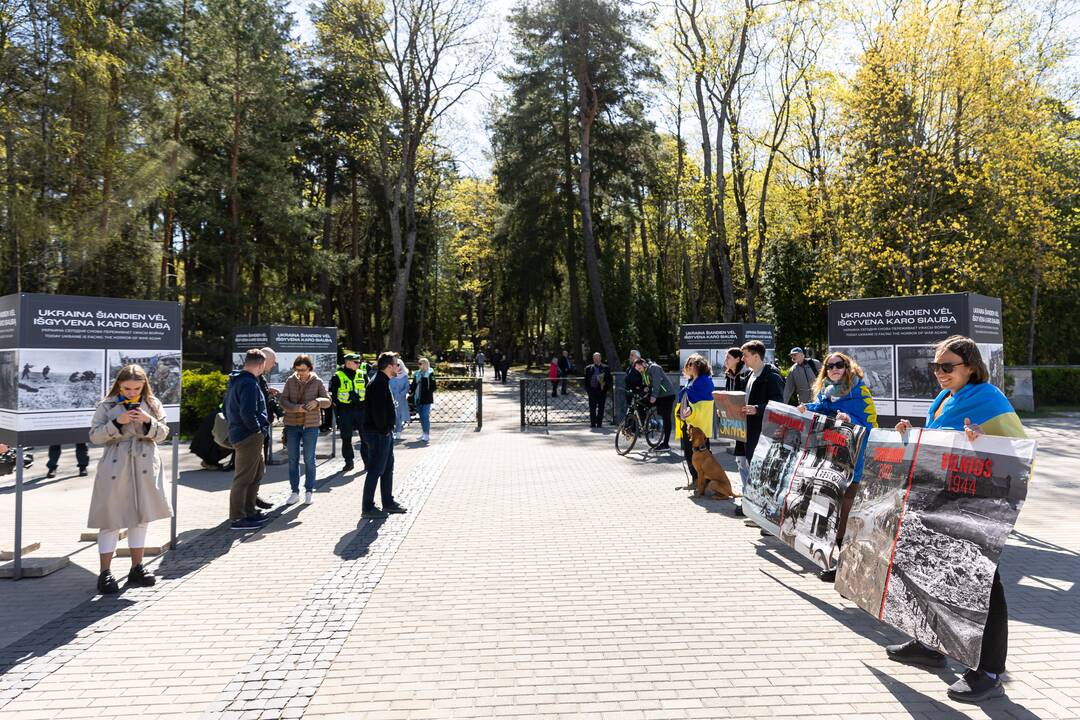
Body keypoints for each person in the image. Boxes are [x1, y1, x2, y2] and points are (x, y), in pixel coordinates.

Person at [887, 335, 1026, 704]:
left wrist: (984, 442)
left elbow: (1018, 454)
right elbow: (938, 444)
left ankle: (990, 670)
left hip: (977, 509)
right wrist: (908, 436)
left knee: (985, 585)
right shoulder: (945, 398)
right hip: (939, 502)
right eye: (936, 366)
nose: (939, 373)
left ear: (971, 367)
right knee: (932, 572)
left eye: (947, 366)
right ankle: (931, 646)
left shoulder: (989, 399)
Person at [87, 364, 172, 594]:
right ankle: (105, 573)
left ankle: (137, 567)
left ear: (144, 385)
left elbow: (164, 433)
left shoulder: (153, 404)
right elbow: (94, 436)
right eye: (127, 388)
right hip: (116, 464)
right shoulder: (107, 405)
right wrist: (117, 422)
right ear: (119, 385)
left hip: (145, 464)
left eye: (137, 388)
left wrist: (147, 420)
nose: (132, 392)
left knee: (141, 517)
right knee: (110, 520)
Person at [797, 351, 878, 582]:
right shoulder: (826, 393)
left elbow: (871, 425)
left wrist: (851, 421)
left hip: (854, 460)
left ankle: (845, 565)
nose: (834, 369)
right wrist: (807, 408)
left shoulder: (860, 392)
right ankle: (836, 560)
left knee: (845, 509)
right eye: (829, 366)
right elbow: (821, 410)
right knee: (830, 507)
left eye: (839, 365)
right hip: (831, 458)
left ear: (848, 367)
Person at [224, 349, 271, 530]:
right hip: (248, 436)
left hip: (245, 434)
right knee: (243, 478)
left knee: (256, 473)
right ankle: (237, 518)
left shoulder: (238, 380)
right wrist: (257, 430)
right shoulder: (249, 383)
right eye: (265, 366)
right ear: (260, 364)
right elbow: (247, 412)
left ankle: (249, 511)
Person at [361, 352, 407, 519]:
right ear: (389, 367)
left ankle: (388, 502)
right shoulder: (379, 383)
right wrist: (385, 429)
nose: (398, 367)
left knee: (387, 469)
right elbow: (378, 412)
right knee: (375, 470)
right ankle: (368, 507)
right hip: (378, 434)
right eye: (396, 364)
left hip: (383, 433)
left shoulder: (383, 381)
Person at [280, 354, 330, 505]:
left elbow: (328, 401)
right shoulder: (290, 380)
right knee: (293, 459)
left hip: (311, 425)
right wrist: (296, 408)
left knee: (309, 459)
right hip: (292, 424)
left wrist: (317, 402)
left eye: (302, 369)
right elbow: (283, 400)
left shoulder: (317, 381)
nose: (300, 372)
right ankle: (294, 492)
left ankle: (309, 491)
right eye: (297, 369)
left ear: (309, 368)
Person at [740, 340, 785, 505]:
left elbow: (780, 406)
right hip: (750, 432)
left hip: (764, 434)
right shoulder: (750, 375)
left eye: (745, 355)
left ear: (756, 356)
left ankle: (765, 510)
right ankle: (755, 507)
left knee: (764, 474)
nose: (742, 359)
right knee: (754, 471)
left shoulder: (772, 377)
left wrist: (757, 409)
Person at [675, 354, 716, 485]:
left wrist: (691, 410)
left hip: (700, 426)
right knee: (689, 453)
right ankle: (696, 479)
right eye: (688, 364)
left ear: (700, 366)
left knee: (703, 454)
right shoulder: (690, 381)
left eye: (691, 364)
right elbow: (687, 399)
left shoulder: (705, 381)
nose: (689, 367)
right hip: (688, 423)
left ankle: (707, 480)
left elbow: (704, 405)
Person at [329, 353, 368, 473]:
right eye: (356, 362)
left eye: (359, 362)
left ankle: (368, 462)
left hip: (361, 410)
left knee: (365, 437)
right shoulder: (337, 376)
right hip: (346, 411)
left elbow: (369, 391)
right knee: (346, 438)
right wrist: (341, 407)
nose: (359, 364)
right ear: (348, 362)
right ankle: (349, 462)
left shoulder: (362, 374)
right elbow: (333, 396)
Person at [722, 348, 750, 516]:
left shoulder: (745, 375)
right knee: (740, 461)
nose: (726, 359)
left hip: (746, 425)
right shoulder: (729, 375)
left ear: (739, 359)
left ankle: (748, 500)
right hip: (736, 425)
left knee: (745, 462)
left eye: (729, 357)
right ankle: (746, 498)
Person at [635, 356, 675, 450]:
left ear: (644, 364)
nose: (639, 371)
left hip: (667, 395)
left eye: (640, 368)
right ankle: (646, 424)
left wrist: (653, 396)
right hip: (659, 395)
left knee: (666, 418)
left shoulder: (654, 367)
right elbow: (649, 384)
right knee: (640, 404)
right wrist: (646, 389)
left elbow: (656, 383)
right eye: (637, 370)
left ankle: (666, 444)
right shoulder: (645, 372)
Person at [583, 352, 612, 428]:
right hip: (592, 391)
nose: (596, 360)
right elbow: (586, 381)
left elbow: (609, 380)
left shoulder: (606, 368)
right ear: (593, 359)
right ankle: (592, 424)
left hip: (602, 391)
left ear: (600, 358)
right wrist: (588, 390)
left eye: (597, 358)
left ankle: (599, 423)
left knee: (601, 408)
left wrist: (605, 388)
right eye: (594, 358)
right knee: (592, 408)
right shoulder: (588, 368)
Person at [410, 357, 436, 442]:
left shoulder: (430, 373)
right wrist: (410, 392)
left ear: (425, 364)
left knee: (425, 416)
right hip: (417, 398)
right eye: (419, 363)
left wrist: (427, 393)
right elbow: (413, 384)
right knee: (421, 417)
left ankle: (427, 434)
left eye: (420, 363)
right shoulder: (417, 373)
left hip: (426, 399)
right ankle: (424, 432)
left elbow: (433, 386)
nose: (419, 365)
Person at [390, 354, 410, 440]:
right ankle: (392, 431)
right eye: (395, 365)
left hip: (400, 399)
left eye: (398, 365)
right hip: (391, 398)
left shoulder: (405, 376)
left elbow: (407, 387)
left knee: (399, 416)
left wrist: (401, 394)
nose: (397, 366)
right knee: (392, 415)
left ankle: (398, 432)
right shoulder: (390, 375)